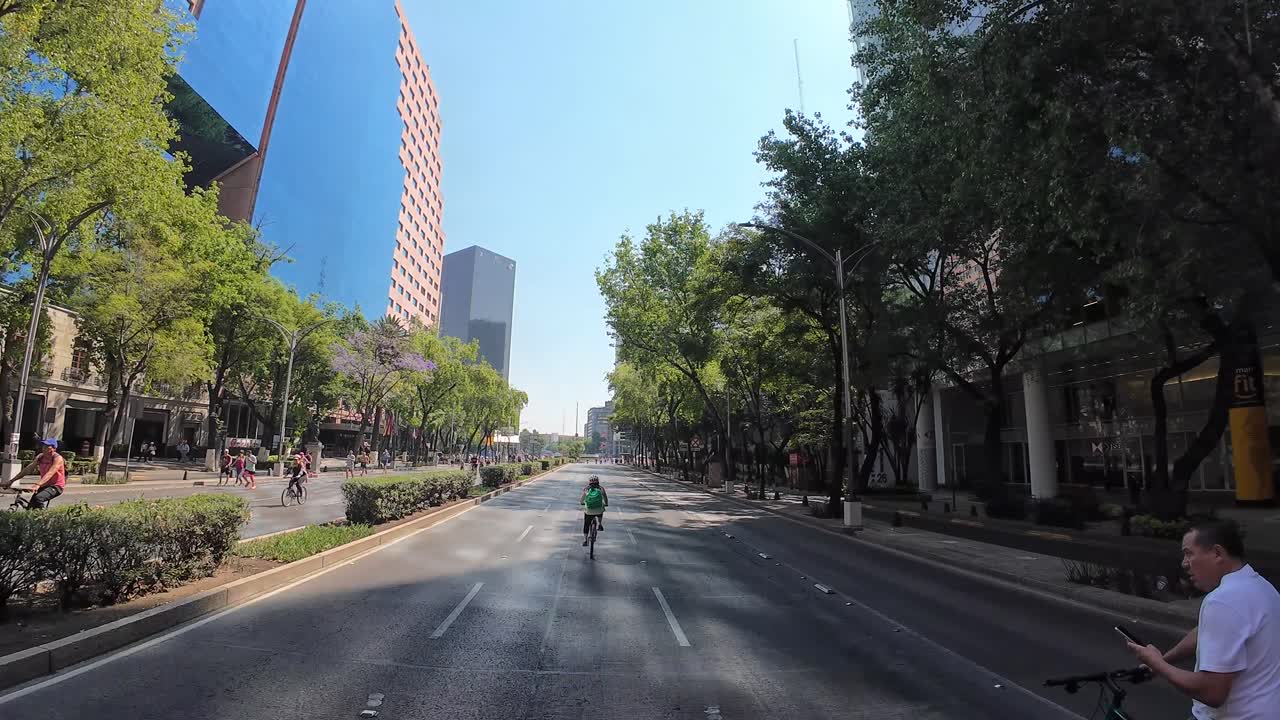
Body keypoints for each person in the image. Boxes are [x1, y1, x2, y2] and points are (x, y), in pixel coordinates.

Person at [1126, 519, 1280, 719]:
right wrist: (1165, 658)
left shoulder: (1222, 601)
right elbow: (1206, 631)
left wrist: (1157, 664)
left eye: (1189, 553)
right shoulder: (1262, 588)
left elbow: (1212, 692)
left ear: (1217, 553)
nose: (1184, 563)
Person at [7, 438, 66, 509]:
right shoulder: (40, 457)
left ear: (54, 449)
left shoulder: (57, 458)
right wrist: (11, 481)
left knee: (39, 498)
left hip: (56, 486)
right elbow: (28, 469)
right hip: (44, 485)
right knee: (31, 508)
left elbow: (50, 473)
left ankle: (44, 518)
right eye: (43, 446)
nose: (44, 448)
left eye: (47, 446)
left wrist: (37, 484)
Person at [579, 475, 608, 546]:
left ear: (589, 482)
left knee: (586, 524)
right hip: (598, 510)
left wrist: (582, 502)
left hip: (589, 511)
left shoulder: (587, 489)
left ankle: (585, 540)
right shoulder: (601, 488)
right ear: (598, 481)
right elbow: (605, 497)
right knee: (601, 508)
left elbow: (582, 499)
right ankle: (600, 524)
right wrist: (606, 503)